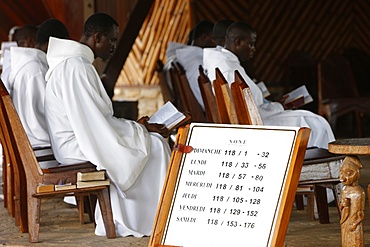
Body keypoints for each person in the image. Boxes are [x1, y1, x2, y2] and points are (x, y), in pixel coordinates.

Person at [44, 13, 171, 237]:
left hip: (77, 139)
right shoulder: (77, 67)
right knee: (158, 147)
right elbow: (94, 125)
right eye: (111, 40)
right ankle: (149, 220)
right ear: (97, 37)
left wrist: (136, 127)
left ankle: (154, 216)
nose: (114, 45)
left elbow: (95, 120)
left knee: (152, 142)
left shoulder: (76, 64)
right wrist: (139, 129)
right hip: (76, 146)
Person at [203, 21, 335, 149]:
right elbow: (250, 111)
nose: (253, 49)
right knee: (316, 123)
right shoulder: (228, 68)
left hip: (248, 122)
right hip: (253, 127)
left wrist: (274, 105)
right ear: (238, 42)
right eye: (251, 44)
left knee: (310, 120)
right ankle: (317, 167)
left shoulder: (222, 62)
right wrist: (279, 106)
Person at [8, 19, 69, 148]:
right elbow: (53, 116)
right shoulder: (38, 70)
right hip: (42, 148)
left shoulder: (24, 66)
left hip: (28, 145)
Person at [173, 20, 215, 110]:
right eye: (214, 39)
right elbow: (209, 103)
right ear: (204, 37)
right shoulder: (198, 65)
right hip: (206, 114)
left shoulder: (185, 59)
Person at [339, 156, 365, 246]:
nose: (342, 178)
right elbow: (341, 207)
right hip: (345, 222)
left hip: (353, 224)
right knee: (345, 240)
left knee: (355, 241)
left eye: (349, 173)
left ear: (357, 174)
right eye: (341, 172)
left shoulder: (359, 192)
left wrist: (355, 224)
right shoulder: (344, 190)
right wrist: (343, 204)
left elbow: (361, 214)